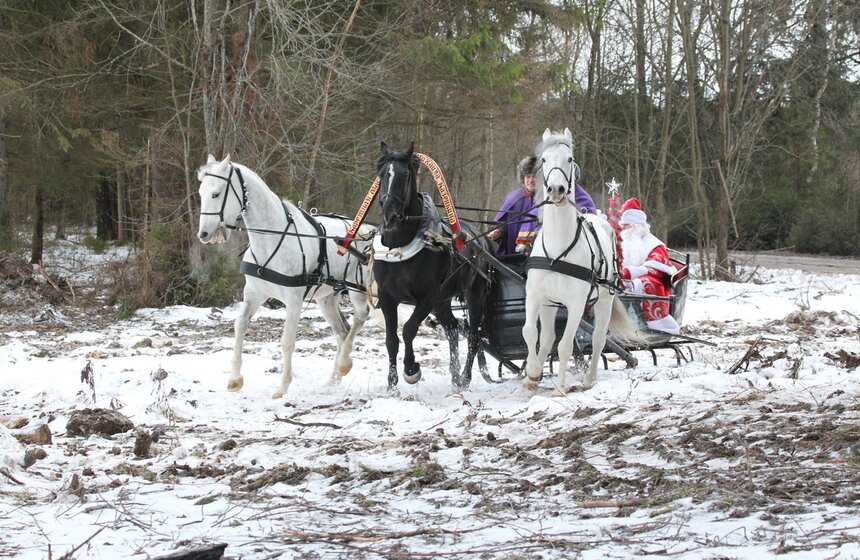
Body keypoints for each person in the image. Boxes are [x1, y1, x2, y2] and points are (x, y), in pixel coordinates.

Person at [489, 156, 597, 256]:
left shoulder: (550, 197)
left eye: (534, 177)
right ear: (523, 178)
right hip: (512, 256)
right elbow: (502, 222)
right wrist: (497, 232)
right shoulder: (513, 198)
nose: (530, 181)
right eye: (528, 177)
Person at [618, 198, 681, 334]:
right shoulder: (626, 243)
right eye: (623, 226)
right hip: (626, 280)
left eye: (627, 226)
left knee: (647, 283)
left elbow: (660, 268)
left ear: (637, 226)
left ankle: (656, 325)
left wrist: (634, 273)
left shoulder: (653, 244)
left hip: (656, 282)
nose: (624, 229)